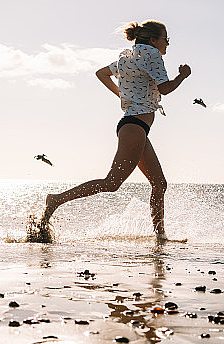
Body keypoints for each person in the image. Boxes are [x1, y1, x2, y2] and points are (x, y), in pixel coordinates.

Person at [39, 20, 191, 242]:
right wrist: (183, 76)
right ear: (153, 40)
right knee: (112, 183)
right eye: (165, 39)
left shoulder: (128, 56)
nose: (167, 43)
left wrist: (122, 94)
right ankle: (56, 199)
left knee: (159, 184)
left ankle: (160, 237)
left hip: (134, 126)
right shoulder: (152, 54)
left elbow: (102, 73)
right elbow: (165, 89)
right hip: (135, 128)